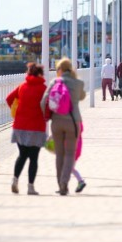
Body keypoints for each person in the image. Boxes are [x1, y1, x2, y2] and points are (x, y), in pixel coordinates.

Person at [41, 58, 85, 196]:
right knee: (70, 154)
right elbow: (82, 96)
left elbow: (43, 101)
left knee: (59, 154)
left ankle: (61, 185)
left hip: (56, 122)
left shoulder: (54, 82)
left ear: (60, 70)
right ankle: (65, 181)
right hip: (73, 121)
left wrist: (47, 116)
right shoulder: (78, 83)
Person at [5, 63, 47, 196]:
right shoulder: (43, 88)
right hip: (36, 127)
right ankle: (30, 187)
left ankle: (15, 180)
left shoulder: (22, 86)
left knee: (22, 155)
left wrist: (16, 112)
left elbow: (9, 99)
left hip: (20, 127)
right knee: (33, 158)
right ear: (40, 74)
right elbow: (48, 105)